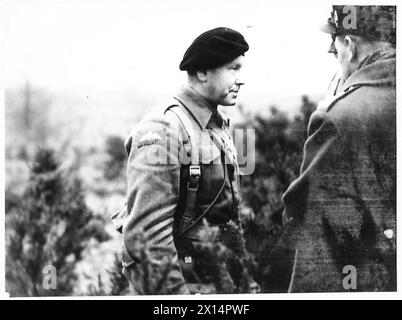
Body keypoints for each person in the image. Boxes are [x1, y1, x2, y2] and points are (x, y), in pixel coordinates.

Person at [113, 27, 257, 294]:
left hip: (217, 281)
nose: (242, 79)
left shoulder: (215, 124)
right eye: (233, 68)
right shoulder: (164, 128)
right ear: (202, 72)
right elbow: (148, 239)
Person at [281, 5, 396, 292]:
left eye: (334, 43)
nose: (332, 52)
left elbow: (306, 218)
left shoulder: (337, 117)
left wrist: (332, 112)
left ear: (349, 46)